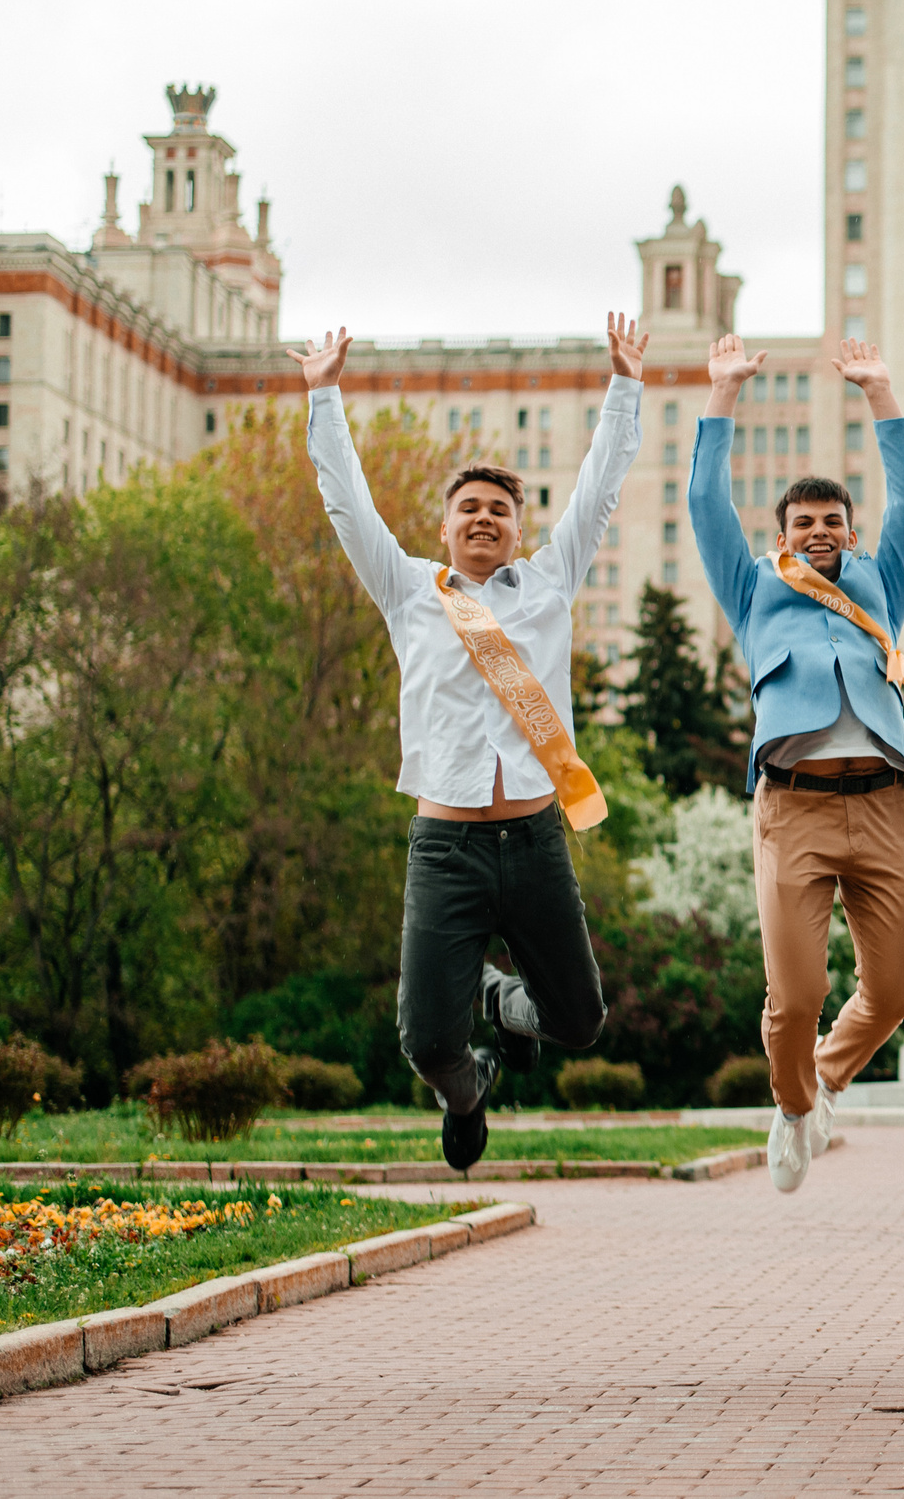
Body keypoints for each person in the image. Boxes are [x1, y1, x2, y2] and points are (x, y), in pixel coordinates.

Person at [293, 316, 646, 1169]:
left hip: (533, 842)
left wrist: (626, 386)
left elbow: (598, 490)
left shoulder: (551, 584)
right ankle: (469, 1087)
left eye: (499, 510)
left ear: (518, 530)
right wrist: (323, 394)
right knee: (424, 1042)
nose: (484, 519)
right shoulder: (408, 590)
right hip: (445, 848)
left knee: (578, 1022)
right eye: (469, 509)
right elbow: (346, 500)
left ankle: (504, 1003)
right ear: (444, 528)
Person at [691, 334, 904, 1195]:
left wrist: (881, 391)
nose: (821, 533)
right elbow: (703, 502)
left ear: (850, 532)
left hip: (882, 806)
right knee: (793, 998)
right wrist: (722, 394)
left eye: (833, 522)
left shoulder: (881, 584)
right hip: (791, 807)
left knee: (894, 991)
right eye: (805, 523)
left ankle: (825, 1078)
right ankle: (794, 1108)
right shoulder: (753, 589)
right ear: (782, 534)